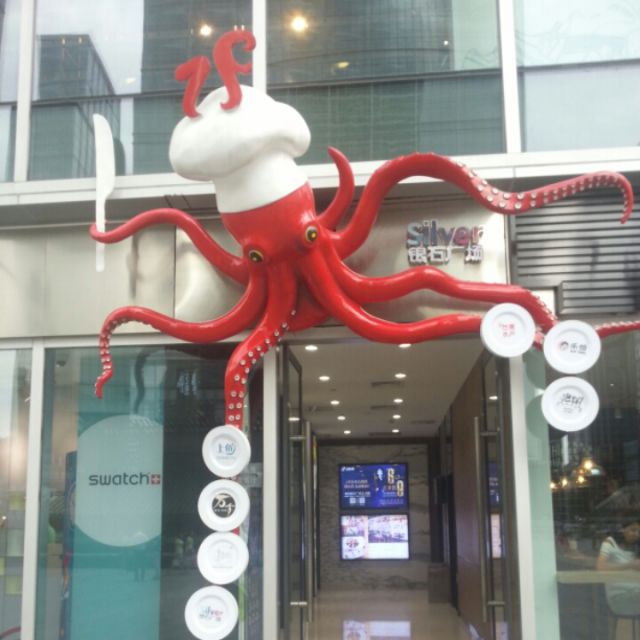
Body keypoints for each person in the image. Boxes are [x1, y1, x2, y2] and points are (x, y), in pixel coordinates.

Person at [596, 519, 640, 617]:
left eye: (639, 532)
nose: (636, 534)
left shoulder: (637, 547)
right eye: (633, 530)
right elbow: (601, 567)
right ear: (622, 529)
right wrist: (630, 565)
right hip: (620, 595)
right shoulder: (610, 542)